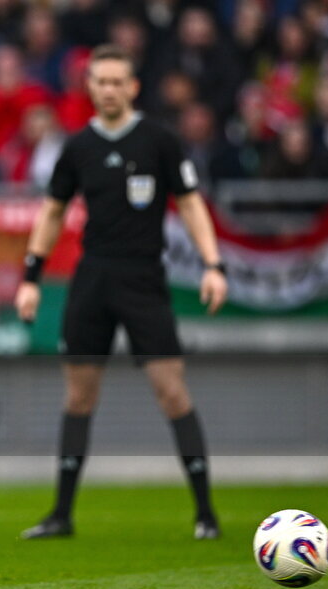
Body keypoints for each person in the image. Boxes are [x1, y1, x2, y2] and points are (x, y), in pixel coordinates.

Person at [14, 45, 227, 541]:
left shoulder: (160, 140)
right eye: (100, 81)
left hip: (143, 279)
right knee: (79, 396)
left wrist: (213, 265)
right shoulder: (77, 147)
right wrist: (31, 276)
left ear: (132, 88)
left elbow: (192, 205)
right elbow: (51, 212)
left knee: (172, 392)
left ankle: (206, 514)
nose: (109, 90)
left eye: (118, 82)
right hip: (93, 280)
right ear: (90, 87)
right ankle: (61, 514)